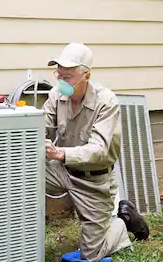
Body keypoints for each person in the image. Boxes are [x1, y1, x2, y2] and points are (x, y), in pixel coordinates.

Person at [43, 43, 149, 261]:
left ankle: (120, 225)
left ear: (86, 76)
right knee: (25, 172)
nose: (61, 82)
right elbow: (39, 127)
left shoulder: (106, 102)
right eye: (59, 75)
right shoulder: (56, 96)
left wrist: (59, 153)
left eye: (68, 77)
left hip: (93, 180)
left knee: (90, 254)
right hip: (63, 170)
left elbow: (99, 150)